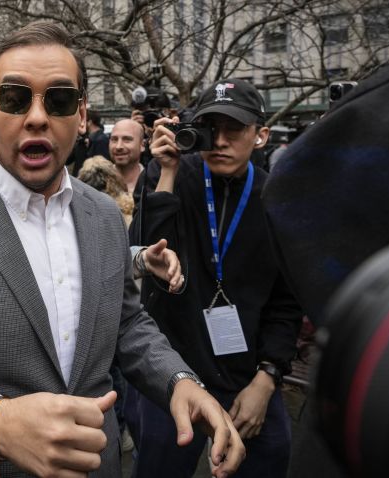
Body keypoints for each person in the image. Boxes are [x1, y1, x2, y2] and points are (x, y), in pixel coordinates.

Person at [0, 21, 244, 478]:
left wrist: (178, 381)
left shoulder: (105, 215)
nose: (37, 117)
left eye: (57, 99)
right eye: (16, 98)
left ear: (79, 112)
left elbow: (127, 323)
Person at [127, 78, 303, 478]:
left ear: (260, 135)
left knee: (270, 453)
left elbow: (287, 298)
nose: (220, 141)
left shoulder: (275, 195)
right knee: (158, 466)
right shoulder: (172, 173)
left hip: (245, 369)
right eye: (211, 128)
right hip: (170, 360)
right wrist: (165, 174)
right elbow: (141, 255)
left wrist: (268, 377)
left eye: (234, 129)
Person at [109, 119, 146, 194]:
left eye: (127, 140)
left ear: (142, 145)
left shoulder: (153, 183)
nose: (118, 146)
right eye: (114, 139)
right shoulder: (95, 185)